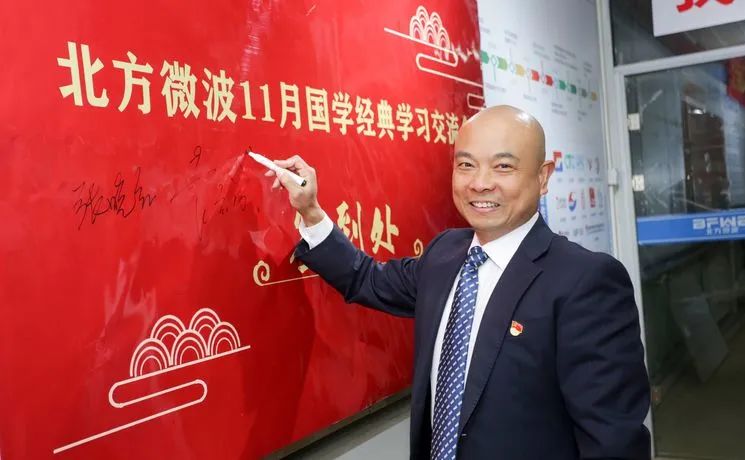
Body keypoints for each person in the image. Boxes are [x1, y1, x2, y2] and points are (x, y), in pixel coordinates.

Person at [265, 105, 651, 459]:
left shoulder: (585, 281)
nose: (480, 183)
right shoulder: (445, 254)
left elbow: (613, 443)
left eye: (503, 167)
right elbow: (367, 279)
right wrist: (310, 211)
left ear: (543, 176)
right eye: (466, 165)